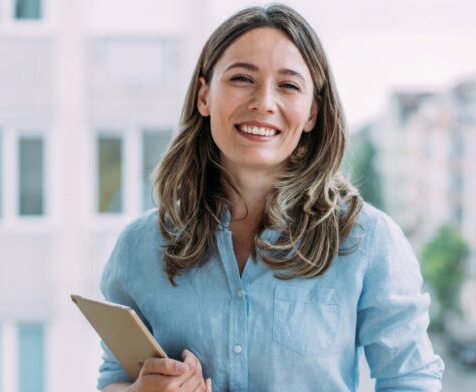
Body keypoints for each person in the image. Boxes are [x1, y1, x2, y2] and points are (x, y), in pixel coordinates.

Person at [98, 4, 444, 391]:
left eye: (289, 85)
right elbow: (114, 379)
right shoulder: (140, 246)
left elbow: (411, 380)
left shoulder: (367, 240)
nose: (263, 102)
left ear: (312, 113)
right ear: (203, 96)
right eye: (242, 78)